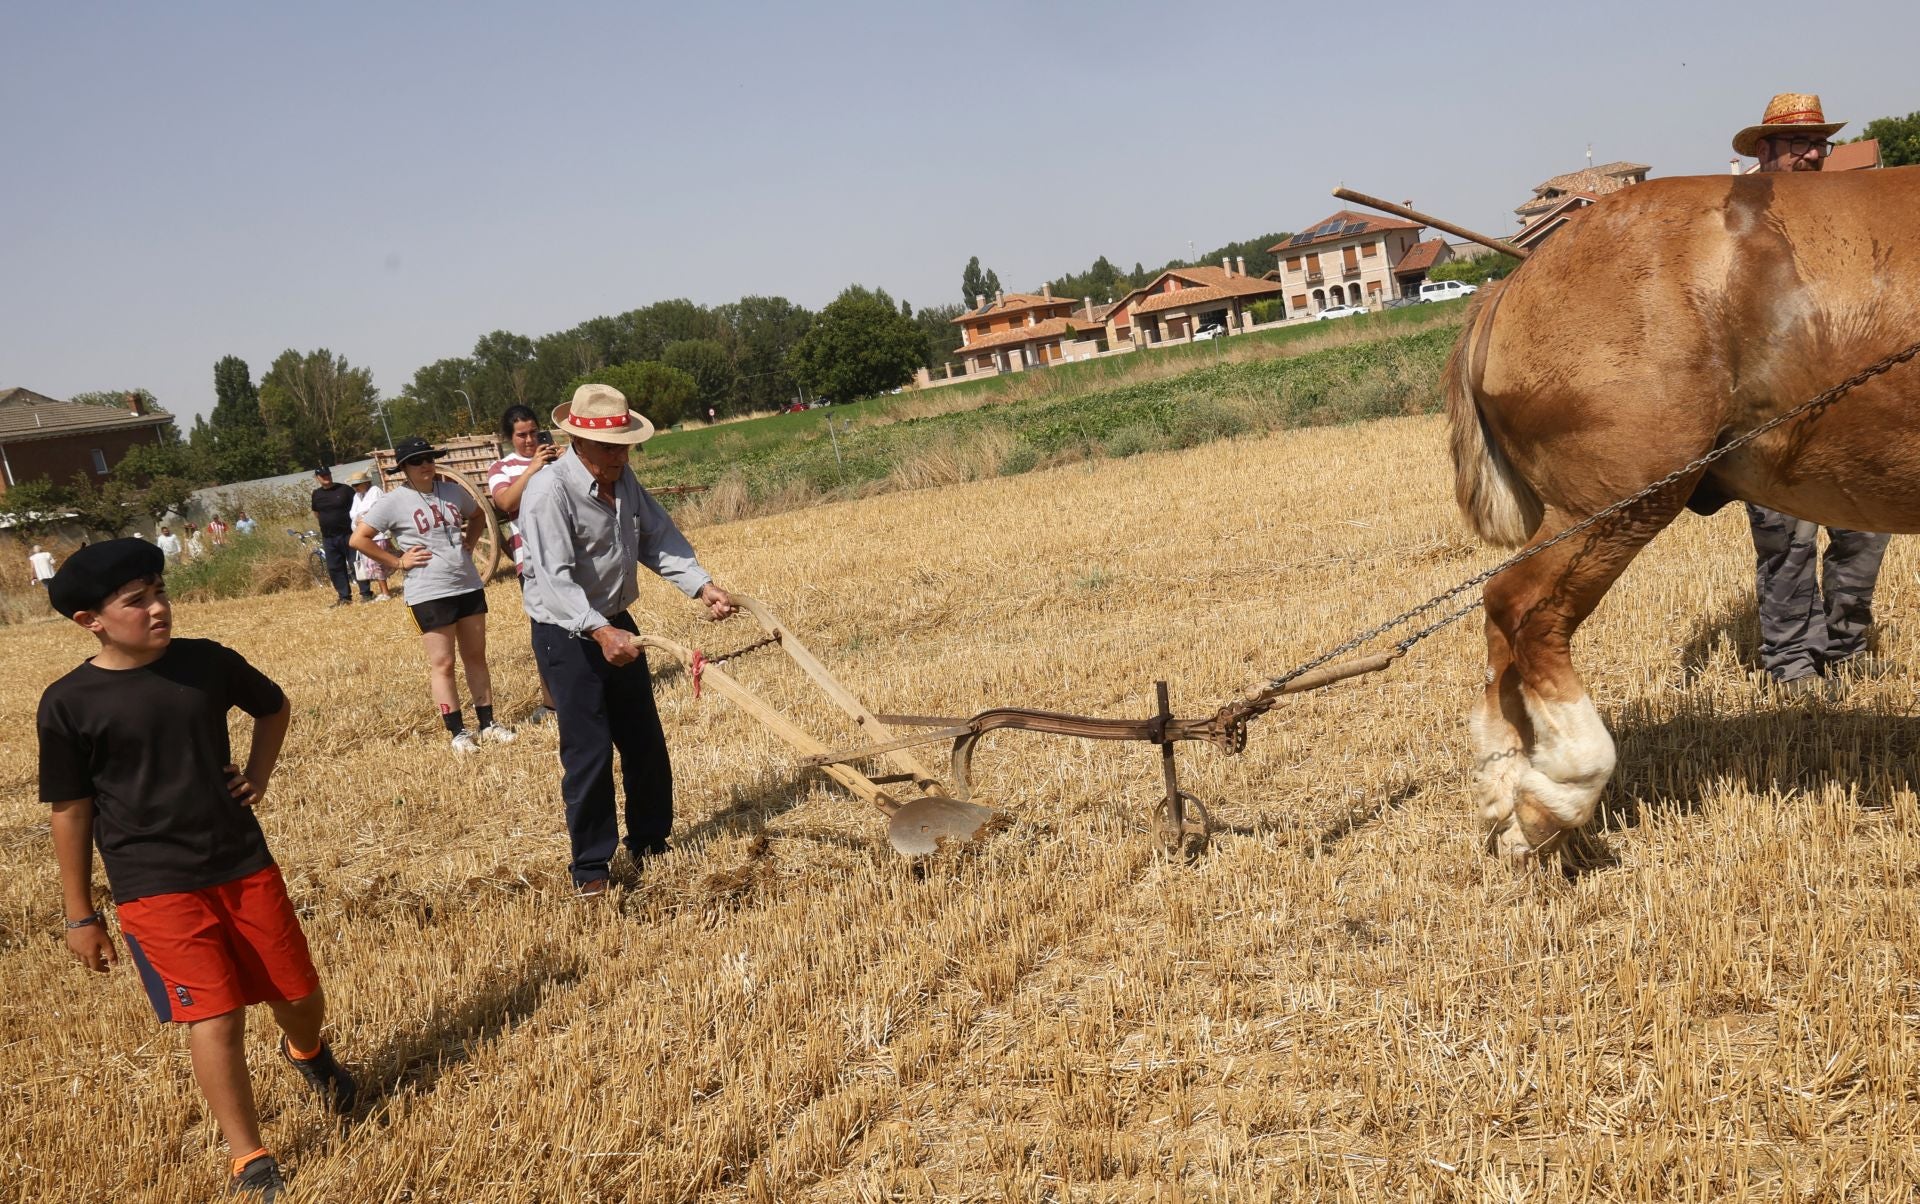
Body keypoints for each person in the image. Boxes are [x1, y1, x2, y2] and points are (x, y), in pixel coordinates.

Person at [37, 539, 355, 1202]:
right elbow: (70, 810)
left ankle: (306, 1052)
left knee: (298, 995)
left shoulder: (206, 662)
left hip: (241, 860)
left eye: (160, 592)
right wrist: (80, 915)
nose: (158, 608)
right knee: (215, 1016)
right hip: (151, 883)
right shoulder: (68, 702)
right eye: (137, 601)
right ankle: (250, 1158)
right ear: (90, 621)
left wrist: (258, 776)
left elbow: (273, 706)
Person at [517, 384, 735, 896]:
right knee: (589, 751)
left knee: (644, 742)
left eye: (625, 446)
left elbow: (657, 538)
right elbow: (554, 578)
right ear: (578, 441)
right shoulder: (548, 492)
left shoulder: (623, 479)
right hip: (567, 633)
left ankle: (650, 841)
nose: (620, 456)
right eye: (609, 448)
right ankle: (592, 868)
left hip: (617, 622)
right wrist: (598, 630)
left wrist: (700, 585)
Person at [1732, 93, 1893, 691]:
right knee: (1788, 546)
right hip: (1773, 413)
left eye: (1819, 143)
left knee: (1864, 534)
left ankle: (1846, 649)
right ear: (1765, 149)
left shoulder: (1844, 215)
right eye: (1799, 143)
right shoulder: (1740, 221)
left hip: (1852, 410)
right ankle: (1792, 663)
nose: (1812, 155)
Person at [351, 435, 514, 753]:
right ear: (403, 468)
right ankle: (458, 732)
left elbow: (478, 515)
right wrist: (398, 562)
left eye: (429, 458)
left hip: (467, 585)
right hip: (428, 592)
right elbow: (359, 539)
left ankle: (488, 724)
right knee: (444, 663)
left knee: (476, 657)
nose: (425, 464)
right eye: (416, 461)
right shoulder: (392, 502)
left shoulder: (452, 491)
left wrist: (470, 543)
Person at [487, 404, 562, 723]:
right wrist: (532, 468)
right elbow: (505, 502)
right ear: (510, 437)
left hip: (568, 552)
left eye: (533, 433)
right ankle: (551, 701)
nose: (530, 440)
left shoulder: (557, 458)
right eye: (521, 435)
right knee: (544, 630)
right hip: (530, 559)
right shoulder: (501, 468)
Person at [310, 466, 368, 607]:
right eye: (323, 476)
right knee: (335, 568)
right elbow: (316, 513)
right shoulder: (316, 494)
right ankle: (344, 597)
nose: (326, 477)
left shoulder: (344, 489)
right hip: (329, 537)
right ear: (317, 478)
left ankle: (366, 593)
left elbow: (357, 506)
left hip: (348, 534)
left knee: (356, 563)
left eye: (328, 474)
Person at [346, 471, 391, 602]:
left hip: (377, 533)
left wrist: (364, 518)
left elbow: (380, 509)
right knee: (373, 563)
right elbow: (353, 513)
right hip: (363, 534)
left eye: (357, 484)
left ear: (366, 482)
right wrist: (357, 519)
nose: (355, 487)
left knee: (376, 562)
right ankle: (384, 591)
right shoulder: (357, 496)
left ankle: (385, 592)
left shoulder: (375, 491)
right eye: (353, 485)